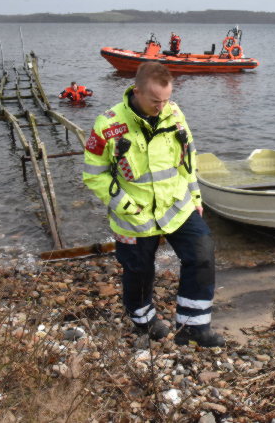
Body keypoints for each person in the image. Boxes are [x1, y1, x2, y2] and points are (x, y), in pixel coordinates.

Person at [82, 62, 224, 347]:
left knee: (202, 254)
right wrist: (126, 207)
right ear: (137, 92)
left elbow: (188, 159)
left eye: (167, 99)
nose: (162, 106)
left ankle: (194, 326)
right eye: (155, 101)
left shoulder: (174, 114)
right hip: (134, 215)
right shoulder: (108, 124)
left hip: (176, 206)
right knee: (139, 270)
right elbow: (94, 175)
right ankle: (144, 321)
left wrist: (195, 197)